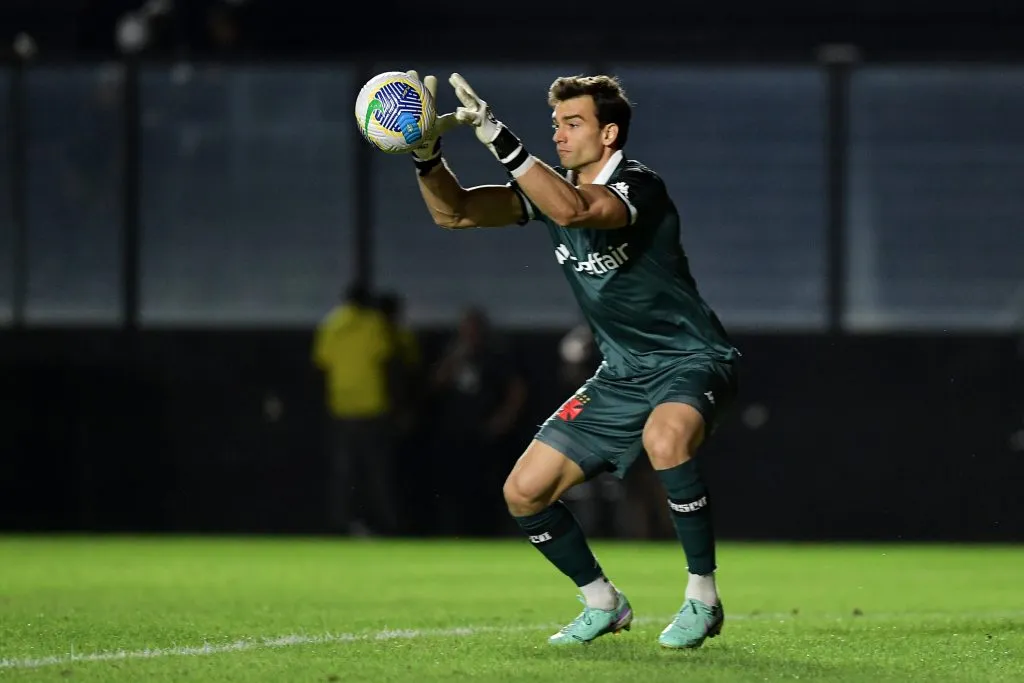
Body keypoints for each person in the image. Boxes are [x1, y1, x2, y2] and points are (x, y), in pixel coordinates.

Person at [405, 70, 741, 649]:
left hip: (689, 357)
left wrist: (498, 137)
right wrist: (427, 157)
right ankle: (601, 601)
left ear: (609, 134)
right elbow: (454, 213)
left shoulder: (639, 184)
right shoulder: (550, 191)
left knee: (666, 442)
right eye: (555, 124)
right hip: (621, 373)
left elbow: (578, 212)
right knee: (524, 492)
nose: (559, 134)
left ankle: (702, 597)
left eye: (574, 123)